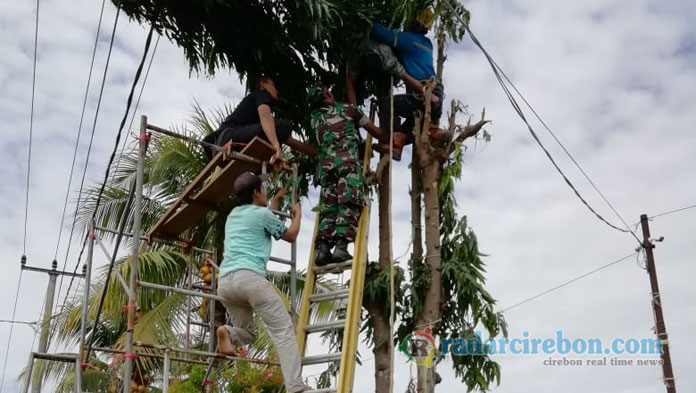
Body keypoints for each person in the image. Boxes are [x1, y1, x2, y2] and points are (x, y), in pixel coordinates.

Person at [216, 172, 310, 393]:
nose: (265, 191)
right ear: (256, 193)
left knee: (246, 333)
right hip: (250, 279)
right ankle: (296, 386)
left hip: (226, 283)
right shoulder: (262, 216)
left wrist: (277, 197)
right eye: (263, 189)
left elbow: (262, 216)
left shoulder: (234, 215)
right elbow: (290, 235)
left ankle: (227, 332)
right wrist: (297, 215)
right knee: (283, 331)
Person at [308, 88, 385, 266]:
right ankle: (341, 248)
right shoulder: (348, 110)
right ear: (328, 95)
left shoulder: (315, 120)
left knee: (329, 208)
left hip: (326, 170)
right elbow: (376, 132)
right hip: (346, 165)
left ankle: (323, 250)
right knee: (349, 203)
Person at [371, 9, 451, 160]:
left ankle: (395, 141)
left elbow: (381, 33)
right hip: (435, 93)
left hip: (422, 94)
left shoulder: (408, 39)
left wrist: (367, 20)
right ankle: (429, 132)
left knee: (388, 104)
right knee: (412, 129)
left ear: (413, 22)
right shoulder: (427, 43)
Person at [203, 76, 315, 166]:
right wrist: (276, 147)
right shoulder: (261, 94)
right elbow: (265, 115)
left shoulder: (255, 121)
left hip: (222, 155)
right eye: (274, 85)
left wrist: (320, 153)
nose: (277, 90)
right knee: (284, 126)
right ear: (263, 84)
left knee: (280, 130)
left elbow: (292, 142)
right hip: (227, 139)